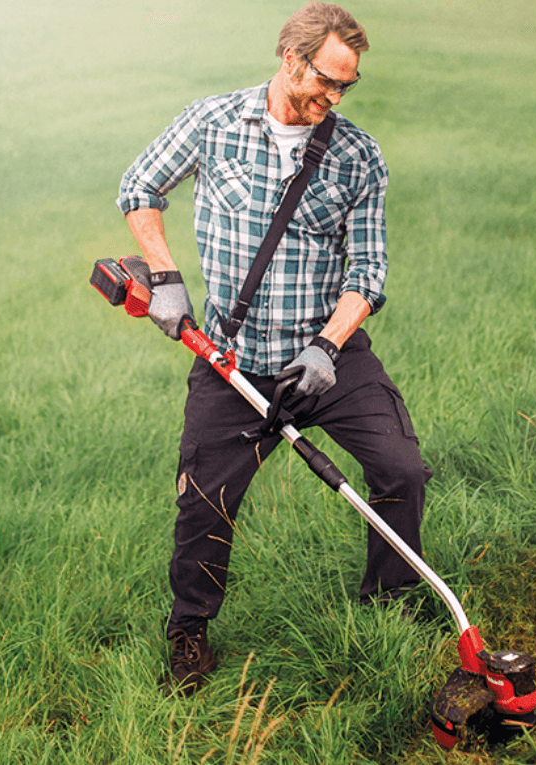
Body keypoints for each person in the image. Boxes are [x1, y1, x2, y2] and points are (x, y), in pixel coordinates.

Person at [117, 1, 431, 695]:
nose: (334, 96)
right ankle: (188, 631)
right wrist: (165, 280)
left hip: (328, 359)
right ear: (291, 59)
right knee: (204, 503)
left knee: (401, 470)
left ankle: (387, 605)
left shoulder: (356, 155)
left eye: (346, 86)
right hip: (230, 359)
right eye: (326, 79)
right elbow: (138, 187)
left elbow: (367, 271)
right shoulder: (214, 122)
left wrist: (325, 347)